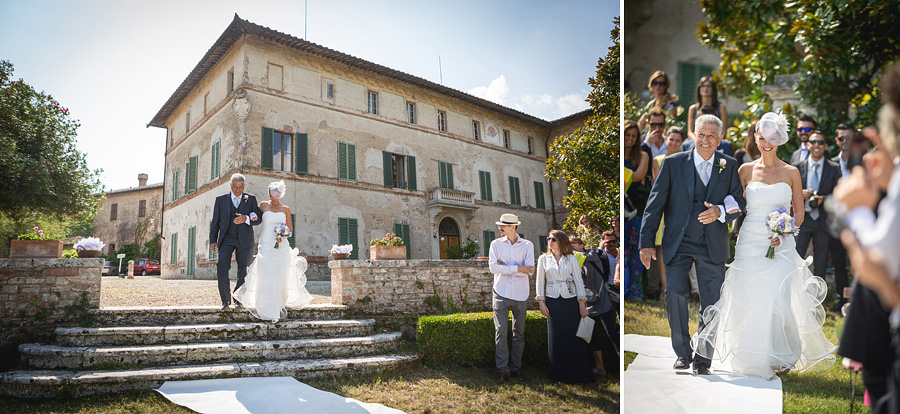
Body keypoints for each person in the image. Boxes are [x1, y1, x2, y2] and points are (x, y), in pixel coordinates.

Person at [691, 112, 837, 379]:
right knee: (747, 293)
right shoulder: (745, 170)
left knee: (776, 297)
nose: (767, 143)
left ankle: (781, 353)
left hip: (780, 241)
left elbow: (799, 213)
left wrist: (784, 232)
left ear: (780, 139)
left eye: (772, 138)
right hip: (749, 240)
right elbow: (734, 203)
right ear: (756, 138)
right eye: (762, 137)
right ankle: (748, 352)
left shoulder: (792, 172)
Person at [639, 114, 746, 375]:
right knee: (674, 292)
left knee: (711, 302)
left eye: (711, 135)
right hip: (679, 241)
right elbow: (655, 206)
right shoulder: (673, 163)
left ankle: (703, 360)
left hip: (713, 244)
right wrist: (646, 243)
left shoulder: (729, 165)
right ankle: (682, 353)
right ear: (693, 135)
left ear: (720, 139)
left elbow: (739, 203)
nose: (706, 140)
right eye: (701, 134)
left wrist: (720, 211)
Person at [233, 181, 312, 322]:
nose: (273, 197)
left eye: (276, 195)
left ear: (280, 194)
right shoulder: (263, 205)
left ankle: (278, 301)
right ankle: (264, 302)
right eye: (271, 194)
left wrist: (283, 235)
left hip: (280, 243)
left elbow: (290, 230)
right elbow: (254, 217)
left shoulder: (286, 209)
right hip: (266, 242)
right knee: (265, 269)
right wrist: (245, 218)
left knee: (279, 271)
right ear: (269, 192)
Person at [791, 130, 842, 309]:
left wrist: (824, 199)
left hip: (822, 221)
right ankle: (793, 297)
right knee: (795, 258)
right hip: (802, 219)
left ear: (826, 146)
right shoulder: (797, 167)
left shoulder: (834, 168)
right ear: (808, 145)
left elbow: (839, 194)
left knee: (820, 263)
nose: (817, 145)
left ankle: (816, 302)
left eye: (821, 142)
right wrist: (800, 194)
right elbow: (787, 193)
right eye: (813, 142)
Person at [536, 229, 593, 383]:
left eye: (553, 239)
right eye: (548, 238)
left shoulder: (572, 259)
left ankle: (577, 373)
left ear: (561, 241)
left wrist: (582, 304)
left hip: (571, 299)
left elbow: (578, 281)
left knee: (574, 336)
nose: (549, 241)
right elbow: (540, 281)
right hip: (552, 300)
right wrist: (541, 302)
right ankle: (558, 374)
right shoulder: (543, 259)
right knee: (556, 337)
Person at [488, 213, 535, 384]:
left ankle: (516, 368)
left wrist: (506, 267)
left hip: (520, 293)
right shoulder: (495, 244)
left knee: (519, 333)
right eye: (499, 225)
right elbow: (493, 268)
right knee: (500, 331)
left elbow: (529, 270)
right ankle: (503, 369)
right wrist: (518, 268)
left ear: (513, 227)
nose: (499, 227)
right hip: (500, 291)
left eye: (503, 225)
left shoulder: (527, 245)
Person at [209, 173, 262, 310]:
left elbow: (258, 218)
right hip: (226, 238)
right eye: (235, 187)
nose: (238, 190)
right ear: (230, 185)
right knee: (222, 267)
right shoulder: (220, 200)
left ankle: (239, 298)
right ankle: (225, 300)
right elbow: (215, 222)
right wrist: (213, 240)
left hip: (245, 239)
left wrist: (246, 218)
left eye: (240, 187)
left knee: (243, 270)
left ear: (244, 186)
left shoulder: (250, 200)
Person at [645, 126, 685, 300]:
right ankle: (664, 289)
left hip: (681, 209)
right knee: (662, 250)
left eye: (678, 140)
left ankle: (679, 289)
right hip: (663, 209)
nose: (674, 143)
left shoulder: (686, 160)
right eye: (671, 139)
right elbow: (657, 187)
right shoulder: (657, 160)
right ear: (666, 139)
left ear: (682, 142)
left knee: (681, 249)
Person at [572, 236, 619, 377]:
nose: (573, 249)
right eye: (571, 246)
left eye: (575, 245)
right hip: (587, 303)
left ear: (582, 245)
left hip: (602, 301)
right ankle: (600, 367)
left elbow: (587, 257)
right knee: (591, 338)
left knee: (612, 334)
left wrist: (575, 254)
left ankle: (620, 366)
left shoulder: (592, 254)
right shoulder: (574, 261)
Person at [624, 120, 649, 300]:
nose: (630, 138)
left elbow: (640, 175)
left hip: (637, 208)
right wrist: (630, 175)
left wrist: (625, 174)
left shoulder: (643, 155)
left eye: (633, 135)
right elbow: (634, 176)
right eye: (627, 134)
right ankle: (623, 289)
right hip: (622, 207)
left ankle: (635, 291)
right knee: (623, 251)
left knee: (636, 251)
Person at [687, 77, 728, 141]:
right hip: (696, 142)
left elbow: (724, 132)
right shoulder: (693, 109)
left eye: (709, 86)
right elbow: (690, 132)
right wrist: (699, 140)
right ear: (699, 88)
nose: (705, 88)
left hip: (715, 143)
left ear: (713, 89)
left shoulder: (721, 107)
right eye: (703, 86)